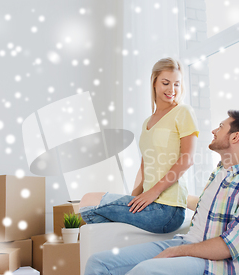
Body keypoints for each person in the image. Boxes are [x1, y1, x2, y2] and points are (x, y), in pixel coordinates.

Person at [76, 110, 239, 275]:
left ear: (235, 137)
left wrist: (178, 251)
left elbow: (228, 247)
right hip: (186, 244)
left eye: (221, 126)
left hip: (215, 265)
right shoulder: (220, 173)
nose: (214, 130)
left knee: (145, 272)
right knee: (98, 263)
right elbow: (207, 209)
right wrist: (161, 197)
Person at [79, 58, 199, 234]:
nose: (171, 90)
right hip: (151, 204)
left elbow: (187, 159)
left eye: (176, 84)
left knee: (88, 202)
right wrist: (133, 199)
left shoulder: (183, 112)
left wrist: (153, 193)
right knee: (88, 206)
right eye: (166, 83)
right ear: (154, 82)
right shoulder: (147, 122)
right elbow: (145, 165)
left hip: (167, 210)